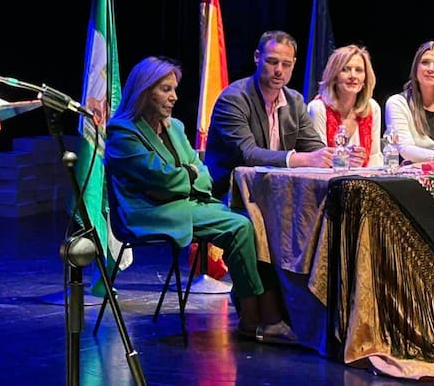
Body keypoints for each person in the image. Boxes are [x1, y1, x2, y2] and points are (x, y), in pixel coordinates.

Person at [105, 56, 296, 344]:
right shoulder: (122, 133)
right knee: (240, 227)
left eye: (174, 89)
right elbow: (160, 180)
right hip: (149, 213)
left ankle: (259, 307)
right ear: (145, 91)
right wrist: (186, 176)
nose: (174, 97)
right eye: (166, 89)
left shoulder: (176, 127)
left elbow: (202, 175)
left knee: (254, 220)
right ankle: (253, 315)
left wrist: (184, 176)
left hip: (186, 203)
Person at [204, 30, 332, 201]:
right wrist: (302, 159)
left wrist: (337, 157)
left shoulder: (295, 101)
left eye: (286, 64)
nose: (279, 70)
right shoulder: (233, 99)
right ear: (257, 57)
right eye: (272, 62)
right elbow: (248, 155)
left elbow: (314, 148)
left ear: (294, 64)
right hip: (231, 194)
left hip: (277, 192)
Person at [306, 44, 383, 168]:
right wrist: (346, 161)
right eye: (345, 69)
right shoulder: (318, 108)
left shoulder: (372, 108)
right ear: (334, 77)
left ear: (365, 78)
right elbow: (319, 160)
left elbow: (375, 157)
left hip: (365, 182)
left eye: (359, 70)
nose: (353, 76)